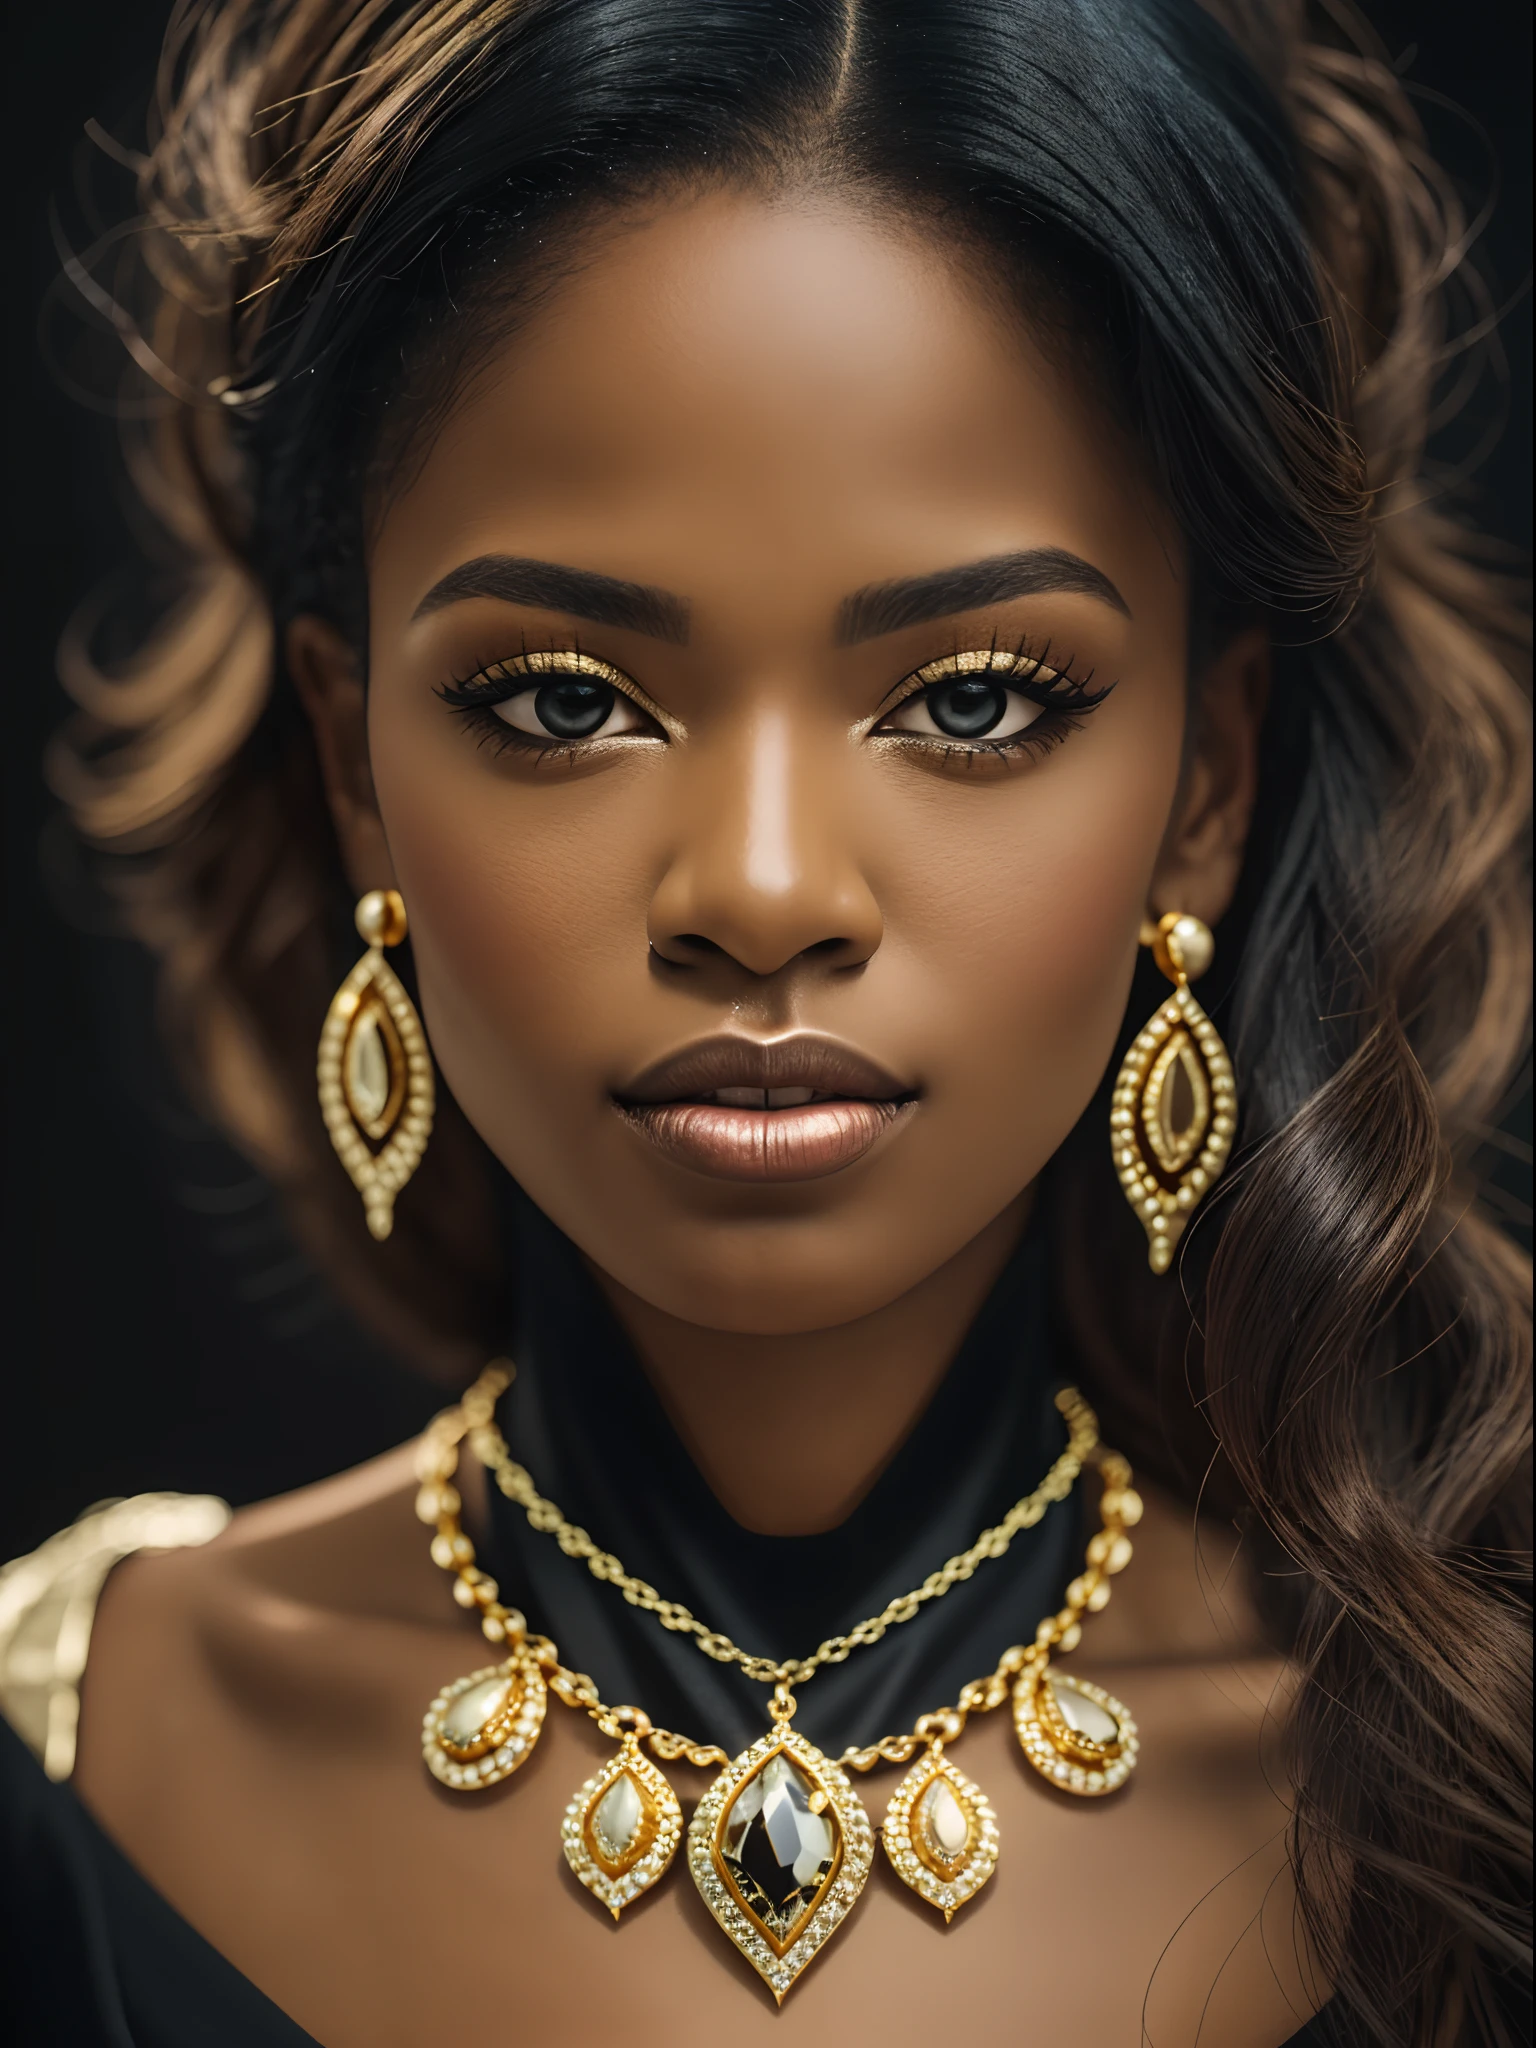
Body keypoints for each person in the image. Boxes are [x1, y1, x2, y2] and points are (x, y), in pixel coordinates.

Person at [2, 0, 1529, 2042]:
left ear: (1209, 783)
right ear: (353, 758)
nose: (765, 891)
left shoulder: (1467, 1792)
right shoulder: (76, 1743)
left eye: (975, 697)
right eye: (563, 697)